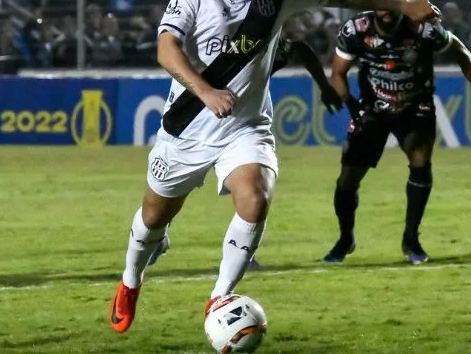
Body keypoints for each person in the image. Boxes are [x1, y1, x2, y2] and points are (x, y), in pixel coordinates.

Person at [109, 0, 439, 334]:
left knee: (256, 199)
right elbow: (166, 48)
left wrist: (401, 6)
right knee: (153, 218)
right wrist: (206, 92)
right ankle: (130, 282)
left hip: (245, 128)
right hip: (188, 125)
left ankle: (220, 296)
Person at [322, 0, 471, 265]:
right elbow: (338, 74)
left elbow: (461, 53)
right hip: (374, 110)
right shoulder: (356, 30)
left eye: (394, 2)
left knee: (420, 163)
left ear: (402, 2)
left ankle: (411, 239)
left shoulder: (423, 30)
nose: (387, 10)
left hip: (415, 106)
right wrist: (355, 111)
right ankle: (345, 238)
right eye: (381, 3)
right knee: (347, 179)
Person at [145, 35, 344, 269]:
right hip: (193, 118)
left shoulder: (260, 40)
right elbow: (171, 50)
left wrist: (323, 86)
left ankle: (243, 250)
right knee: (175, 186)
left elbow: (299, 47)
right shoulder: (211, 37)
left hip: (241, 122)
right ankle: (159, 234)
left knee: (249, 186)